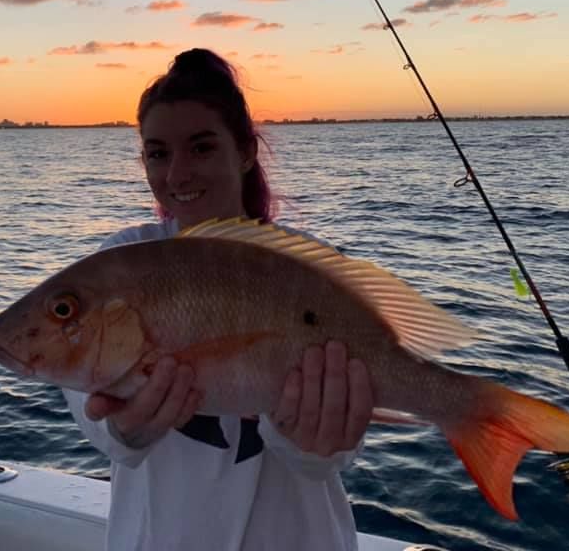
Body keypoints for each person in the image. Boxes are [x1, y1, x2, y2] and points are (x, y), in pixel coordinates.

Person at [62, 48, 374, 551]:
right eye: (158, 153)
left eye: (201, 148)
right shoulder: (119, 263)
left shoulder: (311, 267)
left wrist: (310, 441)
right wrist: (127, 429)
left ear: (246, 150)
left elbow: (333, 457)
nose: (177, 173)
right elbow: (103, 427)